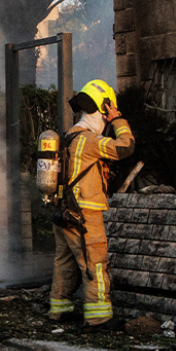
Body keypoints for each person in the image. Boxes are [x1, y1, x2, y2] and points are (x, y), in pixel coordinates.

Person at [48, 80, 135, 329]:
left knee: (64, 263)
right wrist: (118, 120)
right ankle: (98, 317)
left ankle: (59, 310)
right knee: (95, 263)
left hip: (63, 212)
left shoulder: (68, 137)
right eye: (106, 116)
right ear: (103, 108)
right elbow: (126, 147)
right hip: (84, 213)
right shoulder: (89, 140)